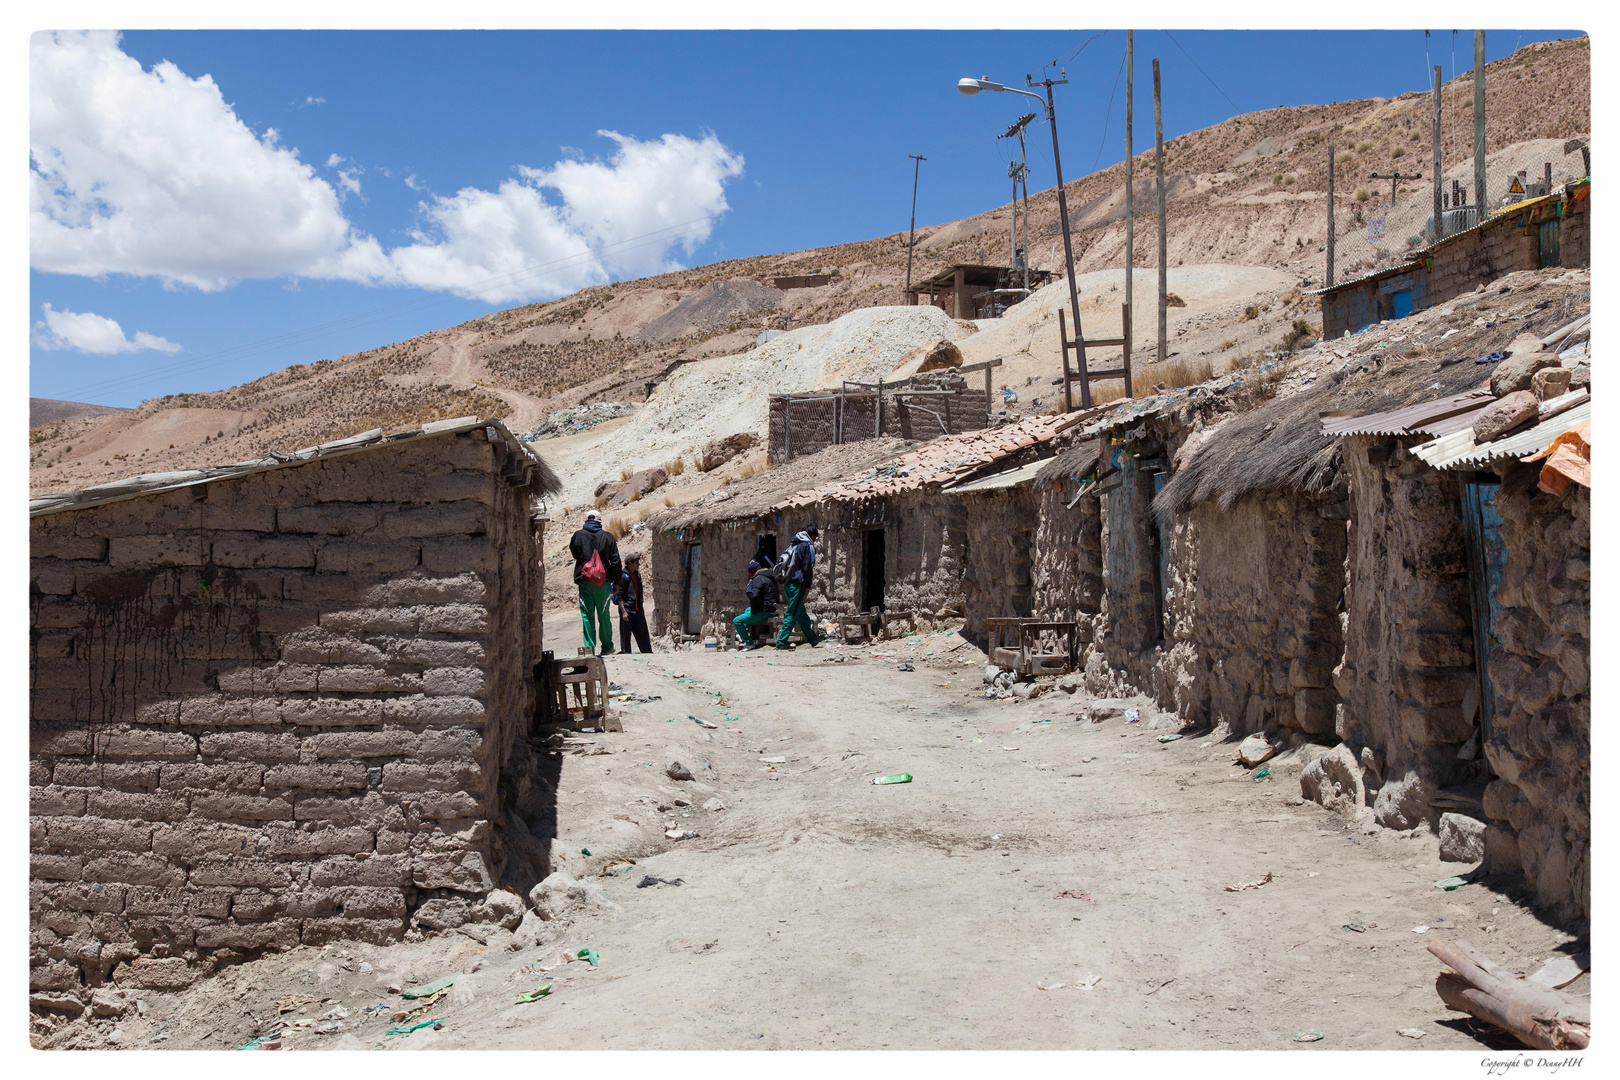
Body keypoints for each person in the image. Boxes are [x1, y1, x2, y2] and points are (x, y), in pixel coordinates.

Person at [570, 510, 622, 655]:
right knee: (604, 614)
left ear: (586, 521)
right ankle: (607, 646)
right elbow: (616, 561)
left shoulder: (578, 536)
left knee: (587, 614)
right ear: (600, 521)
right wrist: (616, 581)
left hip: (585, 582)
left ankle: (589, 648)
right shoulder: (608, 537)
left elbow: (575, 554)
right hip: (603, 583)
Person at [774, 525, 821, 649]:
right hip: (797, 584)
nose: (814, 540)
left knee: (800, 612)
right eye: (814, 538)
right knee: (793, 612)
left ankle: (812, 638)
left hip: (787, 583)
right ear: (811, 536)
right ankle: (781, 642)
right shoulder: (807, 546)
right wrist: (807, 586)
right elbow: (807, 568)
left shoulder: (790, 545)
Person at [733, 559, 778, 651]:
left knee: (737, 621)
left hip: (764, 611)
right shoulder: (769, 576)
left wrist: (755, 610)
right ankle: (743, 635)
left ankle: (749, 643)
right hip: (772, 608)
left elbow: (754, 595)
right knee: (747, 610)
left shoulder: (758, 579)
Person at [613, 553, 653, 654]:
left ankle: (647, 653)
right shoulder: (623, 576)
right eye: (636, 563)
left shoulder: (637, 575)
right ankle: (626, 654)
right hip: (627, 610)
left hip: (638, 610)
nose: (638, 565)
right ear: (629, 564)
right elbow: (619, 596)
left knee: (643, 635)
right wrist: (624, 612)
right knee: (626, 636)